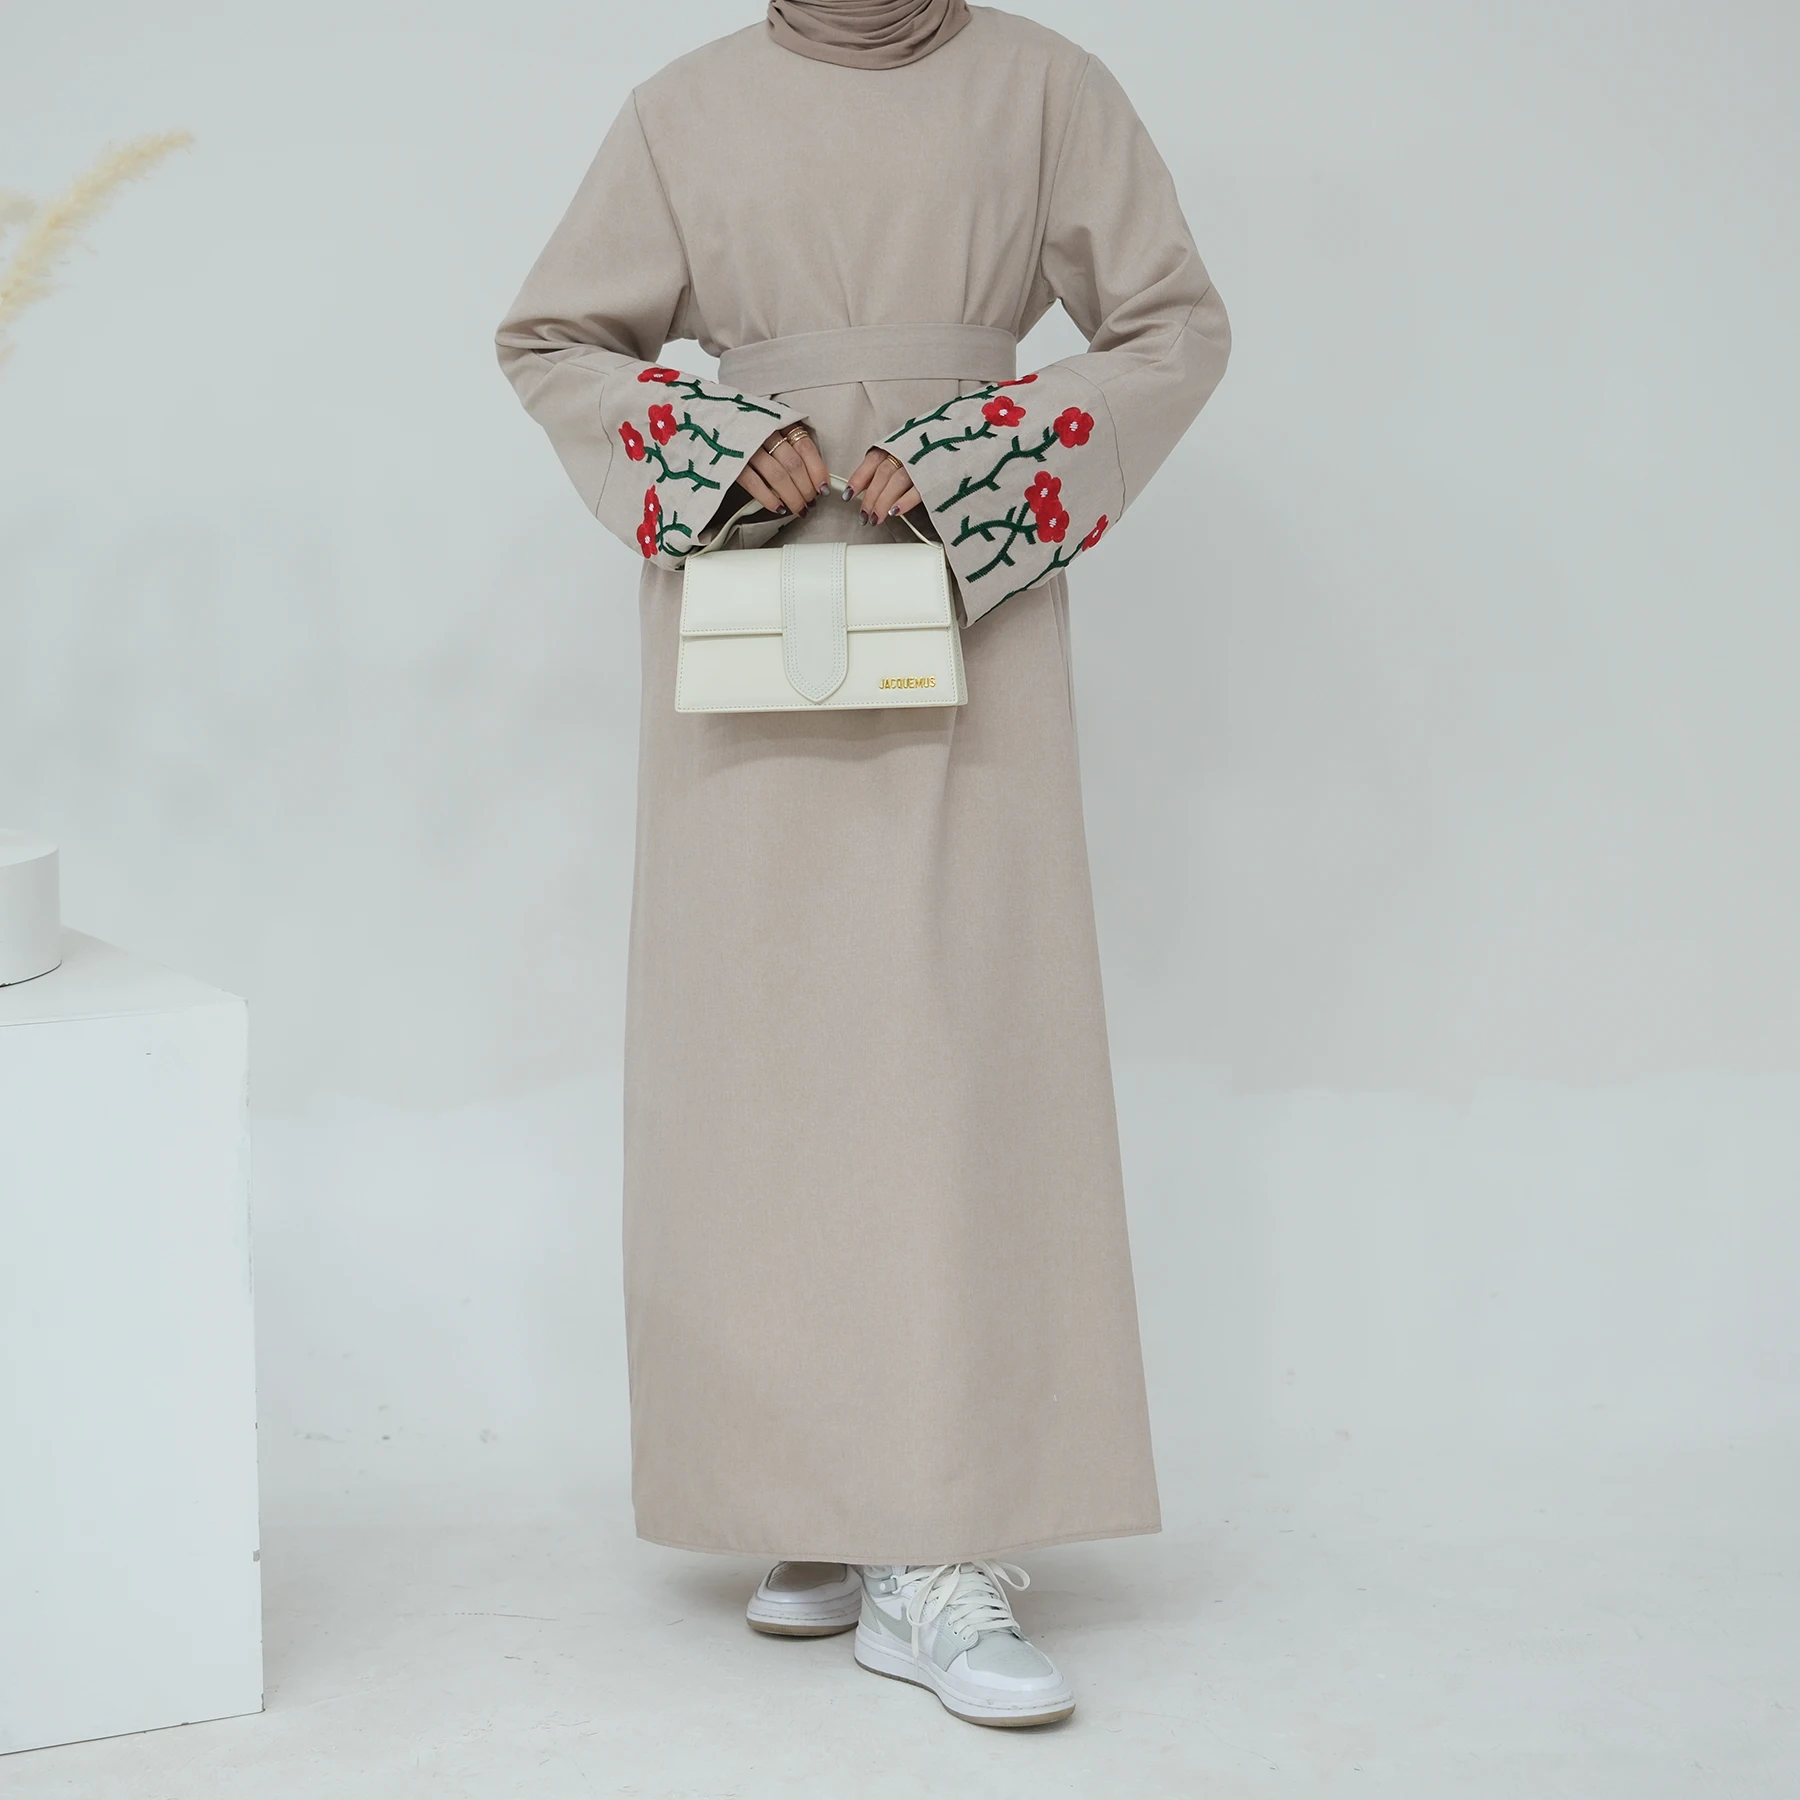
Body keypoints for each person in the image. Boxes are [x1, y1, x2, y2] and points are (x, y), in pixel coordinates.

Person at [495, 0, 1229, 1730]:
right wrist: (711, 441)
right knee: (762, 1058)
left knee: (955, 1049)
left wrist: (979, 454)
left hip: (963, 601)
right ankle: (810, 1498)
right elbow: (553, 337)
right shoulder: (683, 108)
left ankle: (935, 1534)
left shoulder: (1045, 89)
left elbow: (1171, 327)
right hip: (752, 604)